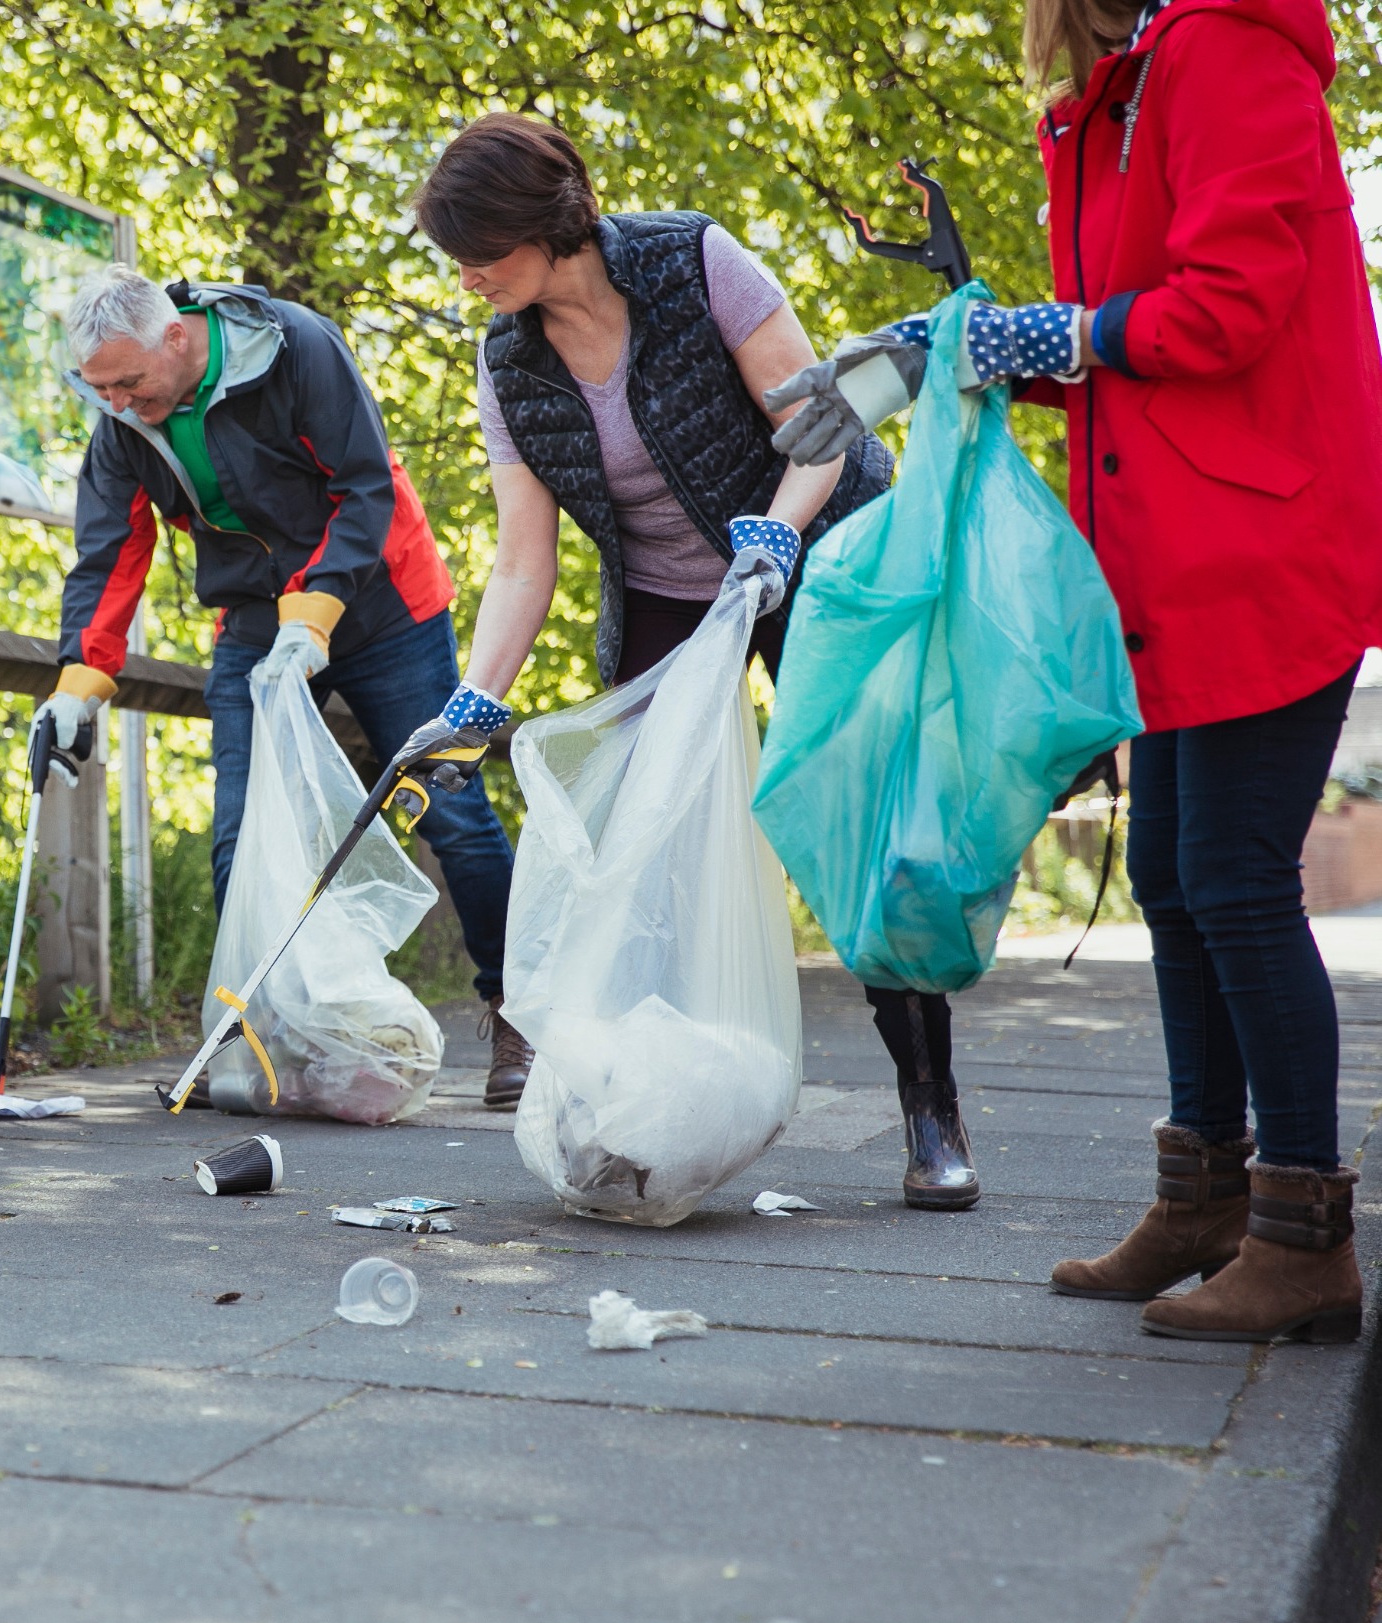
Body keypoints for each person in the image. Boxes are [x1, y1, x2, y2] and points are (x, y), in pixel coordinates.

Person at [771, 0, 1382, 1338]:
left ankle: (1303, 1241)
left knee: (1229, 874)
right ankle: (1207, 1199)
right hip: (1180, 556)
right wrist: (935, 356)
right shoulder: (1133, 83)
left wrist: (1033, 338)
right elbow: (1125, 341)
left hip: (1264, 542)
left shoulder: (1223, 51)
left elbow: (1224, 312)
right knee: (1171, 870)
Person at [391, 117, 1005, 1208]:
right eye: (459, 257)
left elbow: (817, 421)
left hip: (816, 547)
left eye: (482, 248)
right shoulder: (510, 362)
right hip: (672, 599)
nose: (469, 275)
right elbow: (524, 562)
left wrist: (773, 538)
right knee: (635, 850)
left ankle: (929, 1103)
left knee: (856, 828)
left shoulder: (690, 259)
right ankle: (637, 1109)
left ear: (547, 220)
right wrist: (475, 696)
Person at [44, 265, 531, 1109]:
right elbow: (110, 549)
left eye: (127, 382)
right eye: (100, 390)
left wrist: (317, 617)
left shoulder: (295, 347)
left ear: (176, 337)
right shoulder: (122, 418)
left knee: (450, 809)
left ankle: (521, 1014)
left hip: (385, 603)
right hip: (254, 618)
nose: (117, 403)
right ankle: (257, 1037)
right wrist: (81, 682)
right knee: (239, 833)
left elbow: (363, 487)